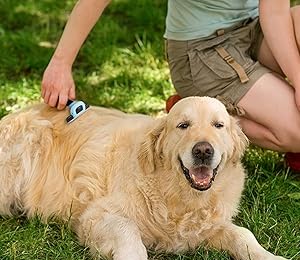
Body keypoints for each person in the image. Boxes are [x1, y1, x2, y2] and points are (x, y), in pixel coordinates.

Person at [41, 0, 300, 171]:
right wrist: (61, 62)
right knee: (297, 132)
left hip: (253, 28)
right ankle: (194, 111)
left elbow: (275, 12)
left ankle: (204, 106)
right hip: (202, 49)